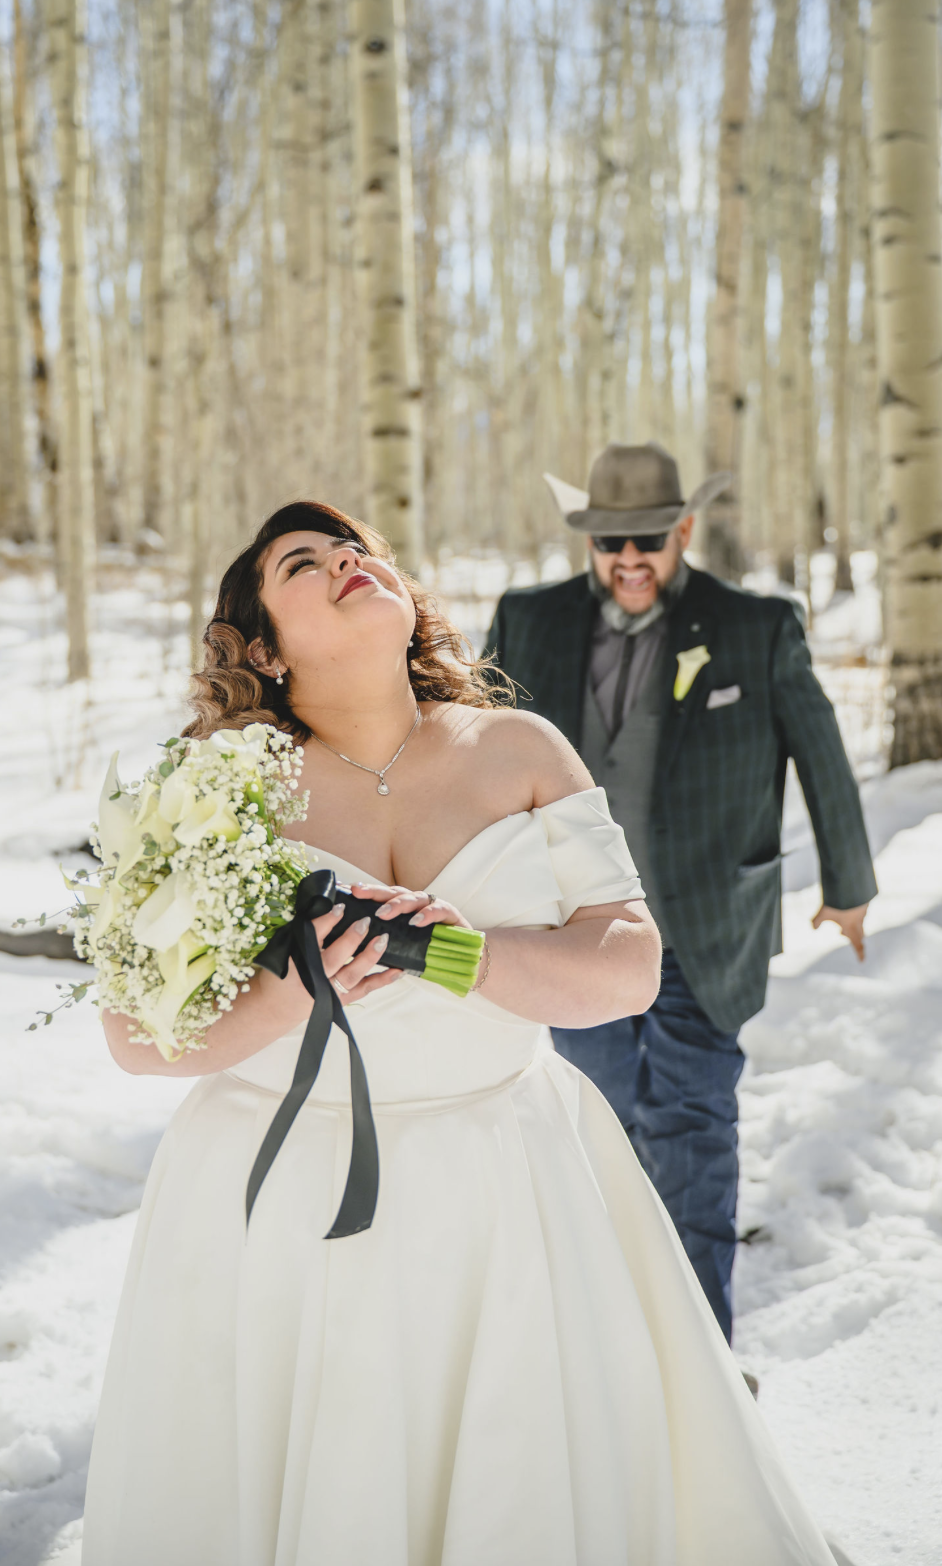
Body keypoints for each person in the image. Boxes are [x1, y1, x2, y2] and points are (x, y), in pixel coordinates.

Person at [80, 499, 838, 1565]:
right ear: (260, 645)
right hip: (279, 1196)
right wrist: (301, 994)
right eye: (305, 561)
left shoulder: (520, 749)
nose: (347, 558)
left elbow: (629, 965)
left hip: (507, 1181)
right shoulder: (213, 791)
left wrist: (468, 954)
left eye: (360, 549)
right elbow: (132, 1038)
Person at [485, 442, 878, 1343]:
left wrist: (848, 887)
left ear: (685, 532)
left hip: (705, 929)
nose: (630, 560)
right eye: (611, 542)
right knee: (598, 1128)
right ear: (589, 542)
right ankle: (610, 1350)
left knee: (694, 1131)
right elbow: (471, 745)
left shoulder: (756, 626)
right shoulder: (527, 619)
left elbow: (820, 754)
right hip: (571, 934)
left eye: (650, 541)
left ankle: (703, 1356)